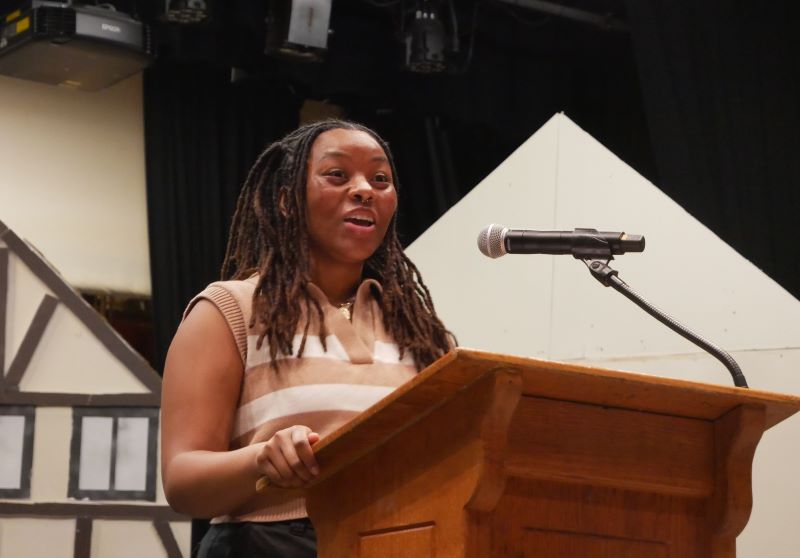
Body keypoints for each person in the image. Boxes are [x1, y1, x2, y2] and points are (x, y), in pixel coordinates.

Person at [160, 119, 453, 557]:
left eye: (380, 179)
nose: (364, 190)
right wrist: (261, 459)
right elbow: (182, 481)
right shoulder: (229, 310)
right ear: (286, 200)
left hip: (403, 541)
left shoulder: (422, 333)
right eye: (337, 174)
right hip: (269, 544)